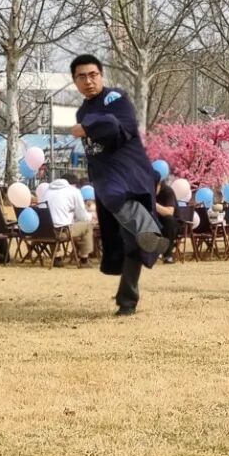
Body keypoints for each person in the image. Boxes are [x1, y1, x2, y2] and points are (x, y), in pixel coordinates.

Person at [70, 54, 170, 316]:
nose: (88, 81)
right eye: (82, 77)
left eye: (93, 75)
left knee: (115, 196)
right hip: (105, 172)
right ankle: (127, 302)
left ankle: (151, 232)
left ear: (101, 76)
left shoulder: (115, 98)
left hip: (129, 169)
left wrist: (85, 128)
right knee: (131, 242)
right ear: (75, 81)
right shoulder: (83, 110)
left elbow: (114, 127)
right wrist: (85, 126)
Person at [44, 172, 94, 268]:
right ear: (74, 184)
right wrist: (91, 216)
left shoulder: (47, 191)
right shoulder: (74, 191)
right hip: (62, 233)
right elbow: (82, 216)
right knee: (87, 225)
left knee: (52, 223)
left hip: (44, 231)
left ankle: (57, 258)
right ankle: (84, 259)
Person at [154, 173, 178, 264]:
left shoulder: (168, 191)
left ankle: (168, 255)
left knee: (169, 220)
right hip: (155, 222)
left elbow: (169, 212)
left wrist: (153, 203)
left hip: (172, 224)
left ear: (159, 185)